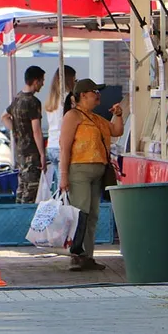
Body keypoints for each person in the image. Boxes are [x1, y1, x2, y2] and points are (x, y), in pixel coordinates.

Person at [59, 78, 124, 272]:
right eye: (94, 91)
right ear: (82, 95)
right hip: (79, 170)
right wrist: (63, 175)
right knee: (81, 213)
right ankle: (76, 256)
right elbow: (64, 147)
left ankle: (88, 255)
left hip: (98, 172)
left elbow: (116, 130)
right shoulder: (73, 116)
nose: (98, 95)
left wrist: (118, 115)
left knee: (93, 215)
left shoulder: (95, 118)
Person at [1, 66, 47, 204]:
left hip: (20, 152)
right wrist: (42, 154)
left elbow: (4, 117)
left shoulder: (17, 98)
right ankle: (25, 217)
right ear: (35, 81)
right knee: (31, 192)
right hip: (32, 153)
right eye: (42, 81)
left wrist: (17, 132)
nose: (43, 84)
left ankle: (17, 215)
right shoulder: (33, 102)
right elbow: (36, 130)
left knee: (21, 189)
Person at [44, 65, 77, 194]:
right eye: (74, 79)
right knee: (65, 186)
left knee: (58, 183)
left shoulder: (51, 99)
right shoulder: (68, 99)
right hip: (62, 145)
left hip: (51, 145)